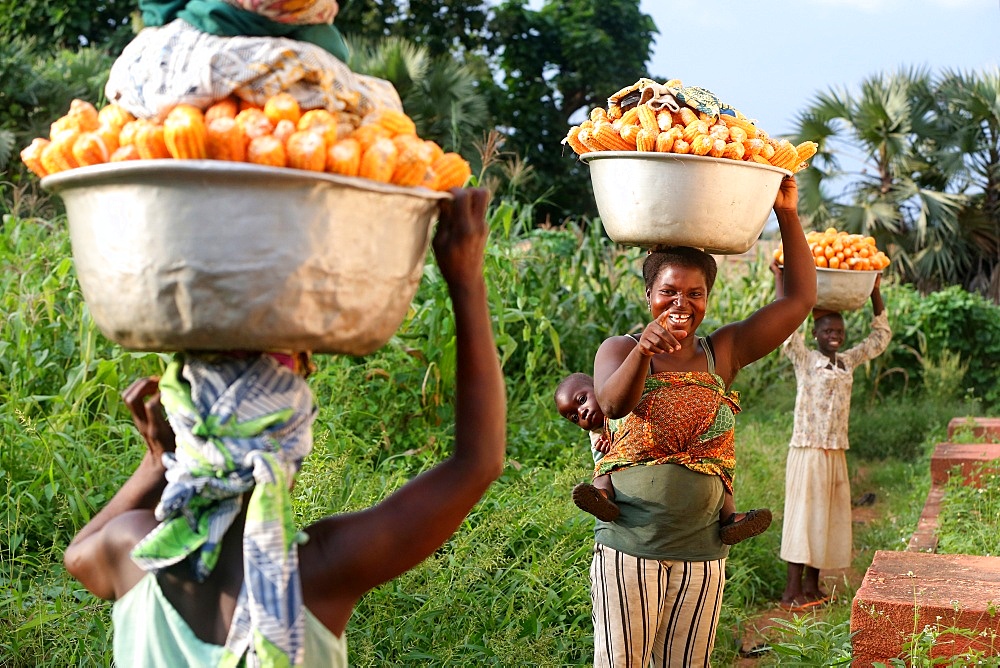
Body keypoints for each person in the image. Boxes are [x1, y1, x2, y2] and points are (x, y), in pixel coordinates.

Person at [63, 188, 506, 666]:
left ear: (186, 427)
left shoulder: (131, 553)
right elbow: (477, 463)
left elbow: (78, 554)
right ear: (290, 440)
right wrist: (465, 281)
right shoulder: (320, 571)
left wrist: (157, 465)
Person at [589, 175, 816, 667]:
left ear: (708, 298)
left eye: (695, 294)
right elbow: (611, 406)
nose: (681, 304)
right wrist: (645, 350)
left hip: (703, 554)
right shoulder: (620, 349)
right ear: (649, 291)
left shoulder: (723, 353)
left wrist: (787, 214)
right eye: (669, 291)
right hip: (631, 549)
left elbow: (797, 302)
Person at [773, 265, 891, 612]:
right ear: (816, 333)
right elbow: (785, 328)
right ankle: (791, 590)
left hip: (836, 449)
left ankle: (812, 585)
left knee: (826, 517)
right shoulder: (805, 360)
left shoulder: (848, 363)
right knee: (805, 516)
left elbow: (879, 339)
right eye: (827, 330)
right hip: (808, 448)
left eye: (839, 330)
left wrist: (874, 290)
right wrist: (781, 278)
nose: (835, 335)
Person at [556, 372, 767, 546]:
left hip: (677, 450)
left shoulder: (623, 398)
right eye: (575, 417)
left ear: (601, 386)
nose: (582, 413)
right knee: (602, 471)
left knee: (717, 464)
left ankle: (730, 518)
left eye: (582, 400)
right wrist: (606, 444)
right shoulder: (596, 433)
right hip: (622, 466)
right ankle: (601, 498)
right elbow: (604, 458)